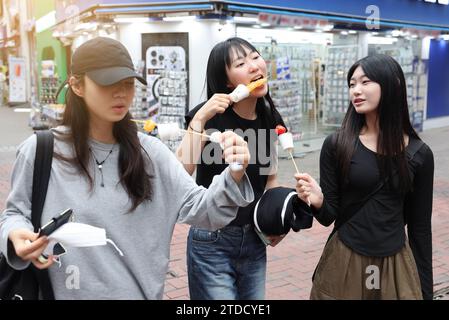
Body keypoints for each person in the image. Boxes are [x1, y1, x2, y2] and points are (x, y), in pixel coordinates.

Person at [0, 37, 255, 300]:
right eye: (107, 83)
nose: (120, 92)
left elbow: (203, 210)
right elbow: (15, 213)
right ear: (76, 85)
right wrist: (14, 234)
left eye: (128, 83)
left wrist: (234, 171)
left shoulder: (151, 154)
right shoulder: (40, 151)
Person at [176, 37, 311, 300]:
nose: (253, 66)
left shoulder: (270, 118)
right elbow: (181, 172)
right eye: (240, 63)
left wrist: (277, 222)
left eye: (255, 57)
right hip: (211, 238)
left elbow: (269, 180)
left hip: (253, 239)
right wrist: (201, 118)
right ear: (227, 82)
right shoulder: (207, 117)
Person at [295, 54, 434, 300]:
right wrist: (317, 201)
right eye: (352, 84)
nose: (356, 90)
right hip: (345, 258)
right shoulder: (337, 145)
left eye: (365, 82)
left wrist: (425, 291)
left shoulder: (419, 154)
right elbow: (329, 217)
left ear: (392, 86)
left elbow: (420, 229)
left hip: (395, 264)